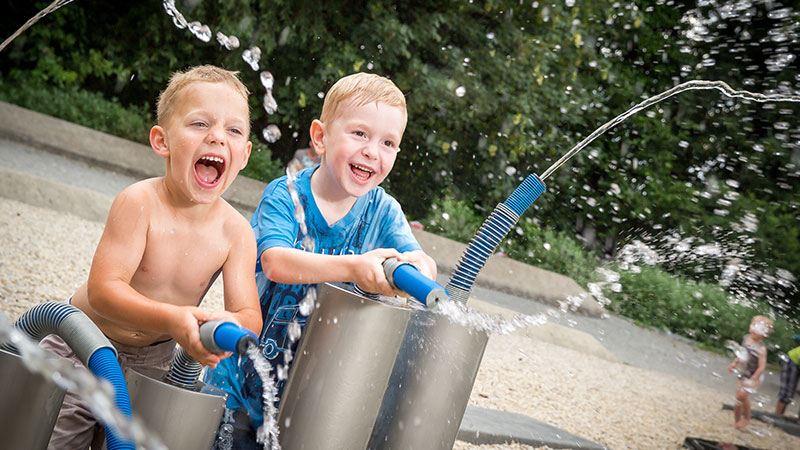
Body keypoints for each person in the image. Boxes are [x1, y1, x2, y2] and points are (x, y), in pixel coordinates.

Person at [204, 72, 437, 447]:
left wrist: (420, 270)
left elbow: (418, 258)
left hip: (315, 394)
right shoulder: (287, 194)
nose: (371, 151)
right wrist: (353, 267)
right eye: (359, 134)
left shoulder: (384, 211)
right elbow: (277, 262)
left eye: (388, 142)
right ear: (320, 136)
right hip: (241, 384)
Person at [39, 65, 263, 449]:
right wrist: (176, 320)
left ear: (243, 155)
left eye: (233, 130)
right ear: (162, 141)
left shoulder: (236, 232)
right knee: (53, 441)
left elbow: (248, 316)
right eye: (199, 124)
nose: (217, 138)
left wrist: (221, 330)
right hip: (82, 347)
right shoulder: (140, 202)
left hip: (154, 366)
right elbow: (104, 290)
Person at [727, 315, 773, 429]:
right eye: (753, 325)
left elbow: (761, 367)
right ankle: (737, 422)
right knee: (740, 398)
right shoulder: (746, 338)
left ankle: (747, 418)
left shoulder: (761, 349)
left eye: (759, 327)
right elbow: (742, 354)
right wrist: (734, 363)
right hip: (743, 373)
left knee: (741, 397)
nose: (754, 328)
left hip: (755, 376)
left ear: (765, 334)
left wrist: (752, 380)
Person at [775, 334, 800, 416]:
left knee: (789, 393)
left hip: (795, 364)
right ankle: (777, 416)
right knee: (786, 392)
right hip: (790, 362)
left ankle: (780, 416)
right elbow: (796, 336)